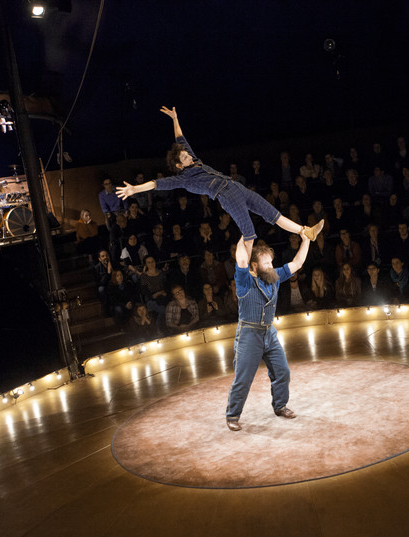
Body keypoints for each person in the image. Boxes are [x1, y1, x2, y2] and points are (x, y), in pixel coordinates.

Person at [115, 107, 324, 260]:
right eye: (185, 157)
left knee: (272, 213)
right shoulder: (183, 178)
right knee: (249, 233)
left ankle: (305, 231)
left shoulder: (193, 160)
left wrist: (175, 118)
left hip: (235, 186)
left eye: (187, 154)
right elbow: (156, 184)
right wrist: (134, 189)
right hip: (226, 195)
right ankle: (246, 272)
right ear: (179, 165)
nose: (188, 156)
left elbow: (180, 138)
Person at [225, 232, 310, 431]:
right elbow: (241, 259)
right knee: (243, 379)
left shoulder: (274, 277)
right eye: (266, 263)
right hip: (249, 335)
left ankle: (280, 406)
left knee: (282, 372)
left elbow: (297, 263)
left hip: (269, 333)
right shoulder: (245, 281)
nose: (271, 266)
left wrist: (306, 239)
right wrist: (245, 234)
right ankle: (232, 415)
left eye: (271, 262)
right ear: (254, 266)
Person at [98, 177, 124, 258]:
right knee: (112, 225)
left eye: (109, 183)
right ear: (103, 185)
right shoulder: (102, 195)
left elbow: (123, 202)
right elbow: (104, 208)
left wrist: (124, 211)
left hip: (120, 211)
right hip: (111, 214)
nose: (108, 186)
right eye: (106, 184)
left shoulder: (117, 191)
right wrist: (109, 214)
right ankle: (114, 246)